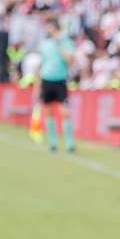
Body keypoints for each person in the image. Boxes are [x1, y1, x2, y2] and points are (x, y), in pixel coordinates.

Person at [36, 19, 76, 153]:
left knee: (65, 111)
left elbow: (69, 61)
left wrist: (59, 44)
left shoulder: (67, 43)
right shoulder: (45, 44)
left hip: (60, 80)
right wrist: (38, 83)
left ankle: (69, 142)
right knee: (48, 111)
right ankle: (53, 142)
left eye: (52, 28)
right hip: (47, 79)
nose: (50, 31)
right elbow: (42, 64)